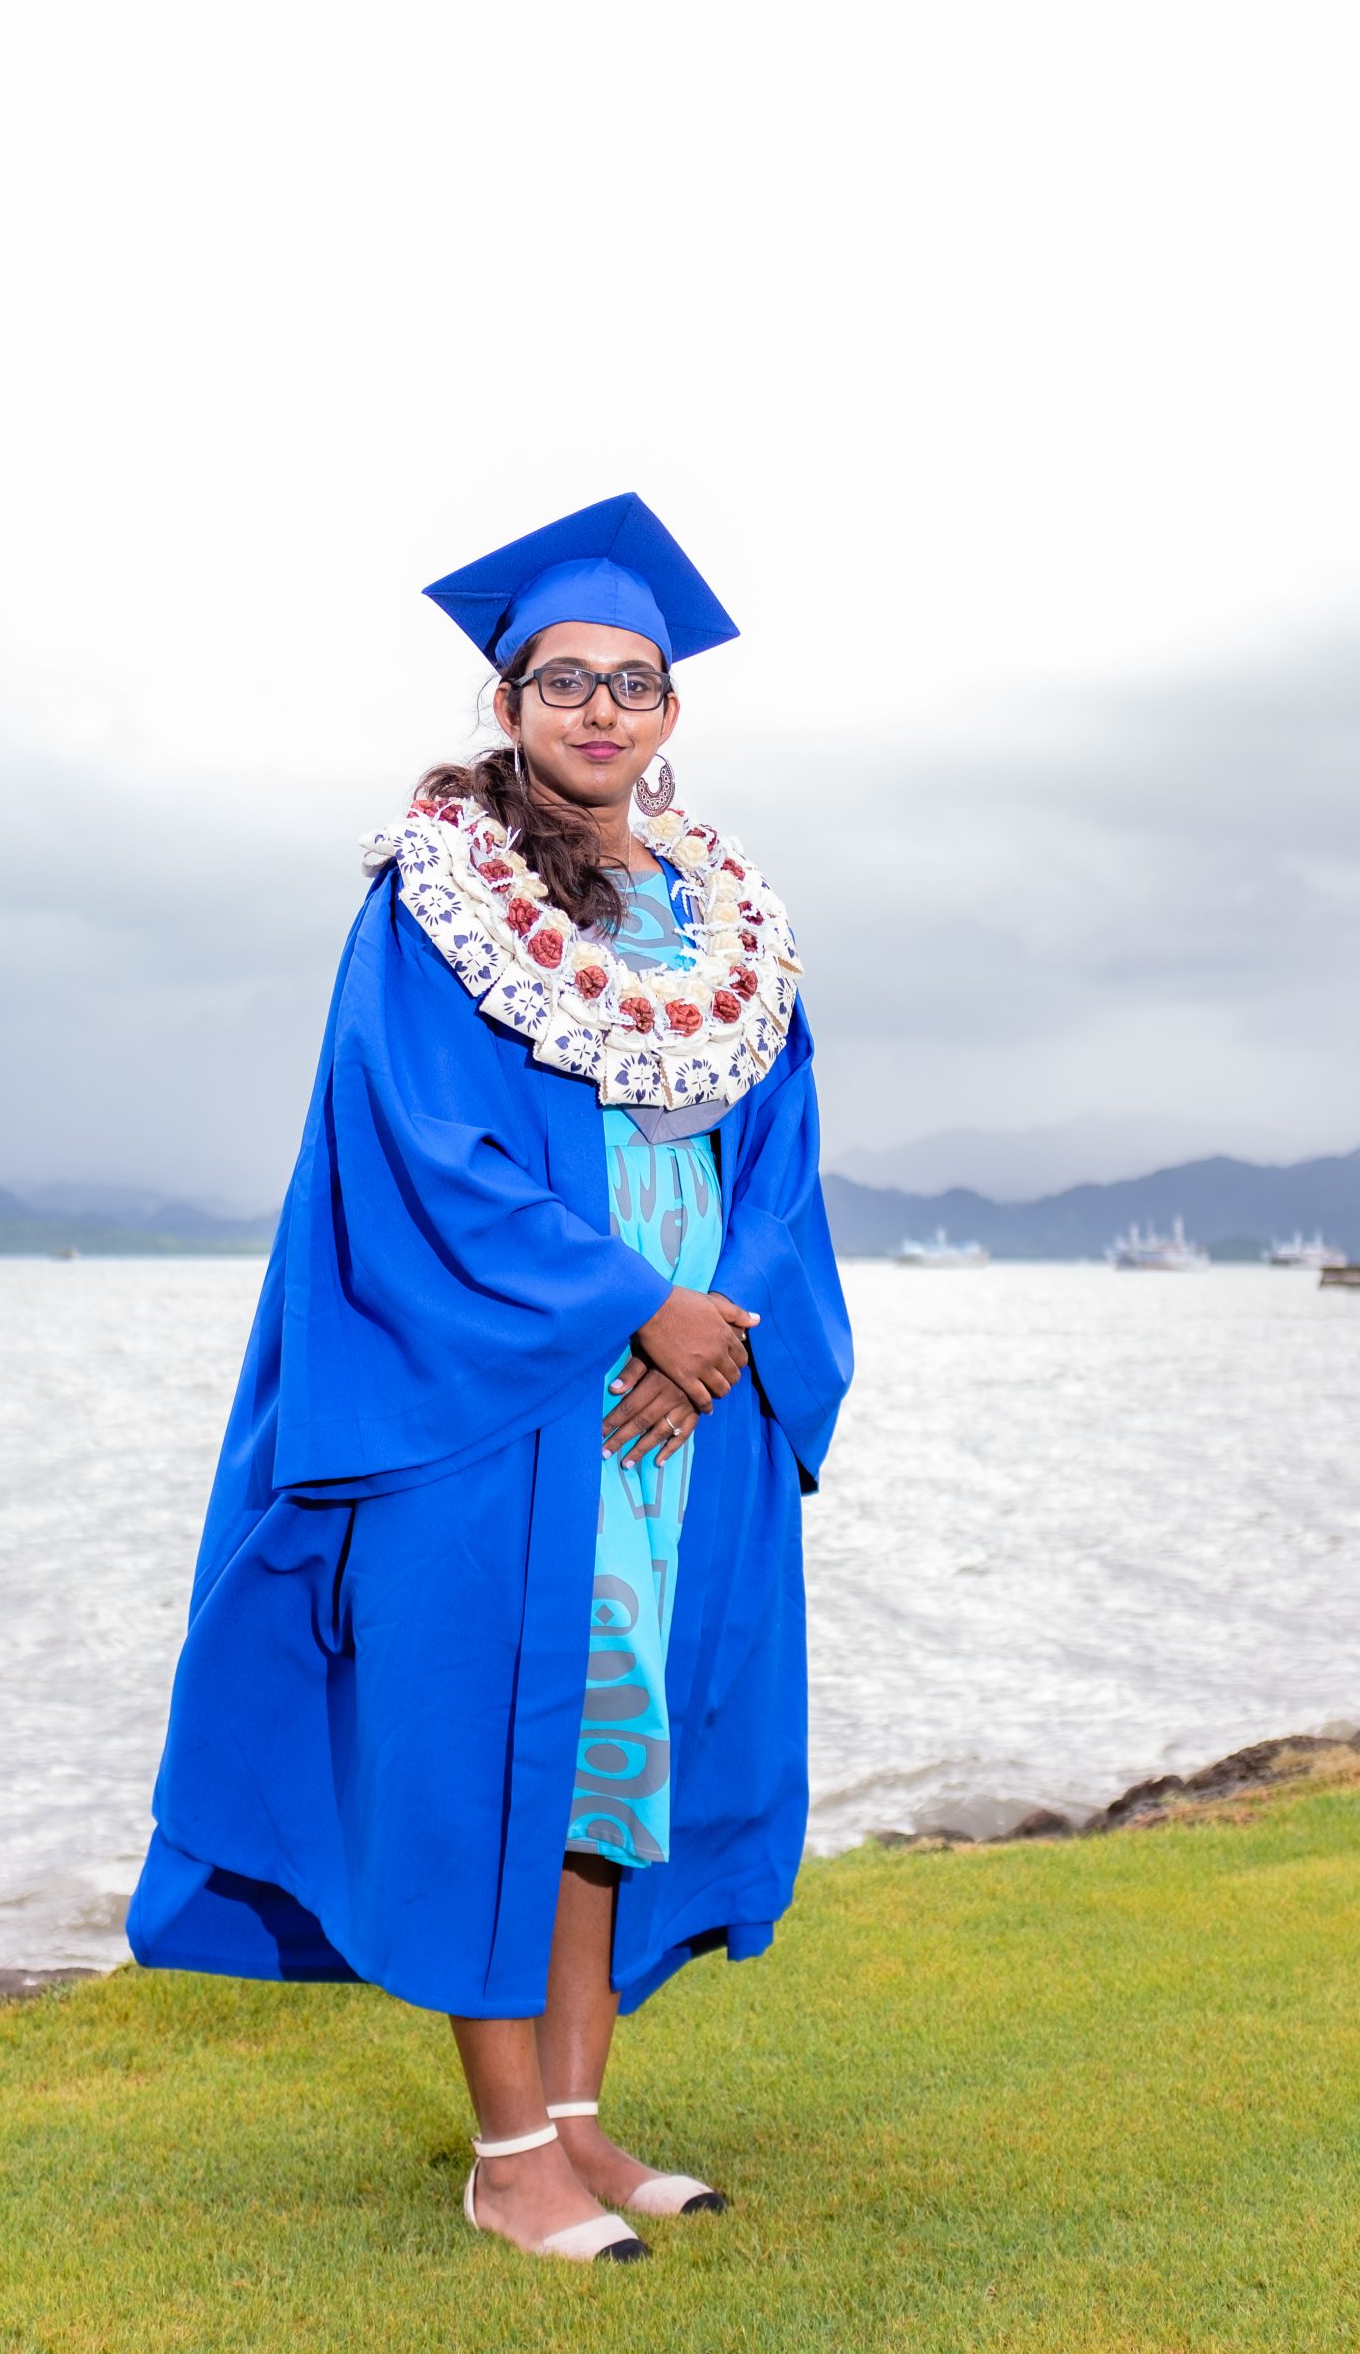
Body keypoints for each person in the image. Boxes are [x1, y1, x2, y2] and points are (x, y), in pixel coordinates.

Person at [127, 492, 852, 2266]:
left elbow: (787, 1157)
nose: (599, 709)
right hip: (511, 1383)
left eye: (633, 681)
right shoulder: (437, 903)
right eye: (562, 681)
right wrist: (634, 1309)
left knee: (622, 1743)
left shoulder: (725, 916)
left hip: (689, 1398)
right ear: (509, 703)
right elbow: (423, 1148)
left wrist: (724, 1327)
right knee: (491, 1743)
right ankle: (505, 2149)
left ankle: (587, 2127)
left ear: (672, 710)